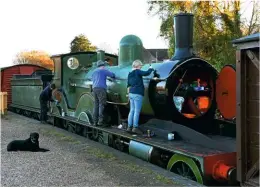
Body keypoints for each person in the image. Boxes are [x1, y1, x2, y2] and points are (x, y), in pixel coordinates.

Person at [127, 60, 154, 134]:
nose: (141, 67)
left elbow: (128, 84)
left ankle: (129, 127)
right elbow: (146, 73)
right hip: (137, 94)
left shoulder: (130, 73)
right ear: (137, 66)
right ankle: (135, 127)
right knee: (137, 111)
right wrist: (151, 68)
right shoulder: (137, 71)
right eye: (140, 66)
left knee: (132, 110)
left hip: (131, 93)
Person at [92, 60, 116, 126]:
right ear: (103, 66)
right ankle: (100, 121)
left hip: (94, 89)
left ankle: (94, 121)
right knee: (101, 105)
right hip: (101, 89)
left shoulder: (94, 71)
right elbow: (112, 75)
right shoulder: (103, 70)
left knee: (96, 105)